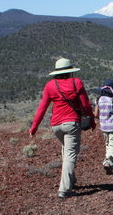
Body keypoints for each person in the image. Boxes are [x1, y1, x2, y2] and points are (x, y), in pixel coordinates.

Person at [29, 58, 95, 198]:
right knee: (70, 154)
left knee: (67, 150)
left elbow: (42, 107)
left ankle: (71, 180)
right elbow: (85, 104)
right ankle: (64, 189)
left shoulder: (50, 86)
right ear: (70, 72)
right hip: (72, 123)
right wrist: (91, 120)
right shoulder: (76, 82)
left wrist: (34, 127)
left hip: (56, 126)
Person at [93, 79, 113, 174]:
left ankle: (110, 163)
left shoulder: (98, 100)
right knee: (112, 145)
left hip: (104, 126)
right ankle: (108, 162)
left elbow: (96, 114)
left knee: (107, 144)